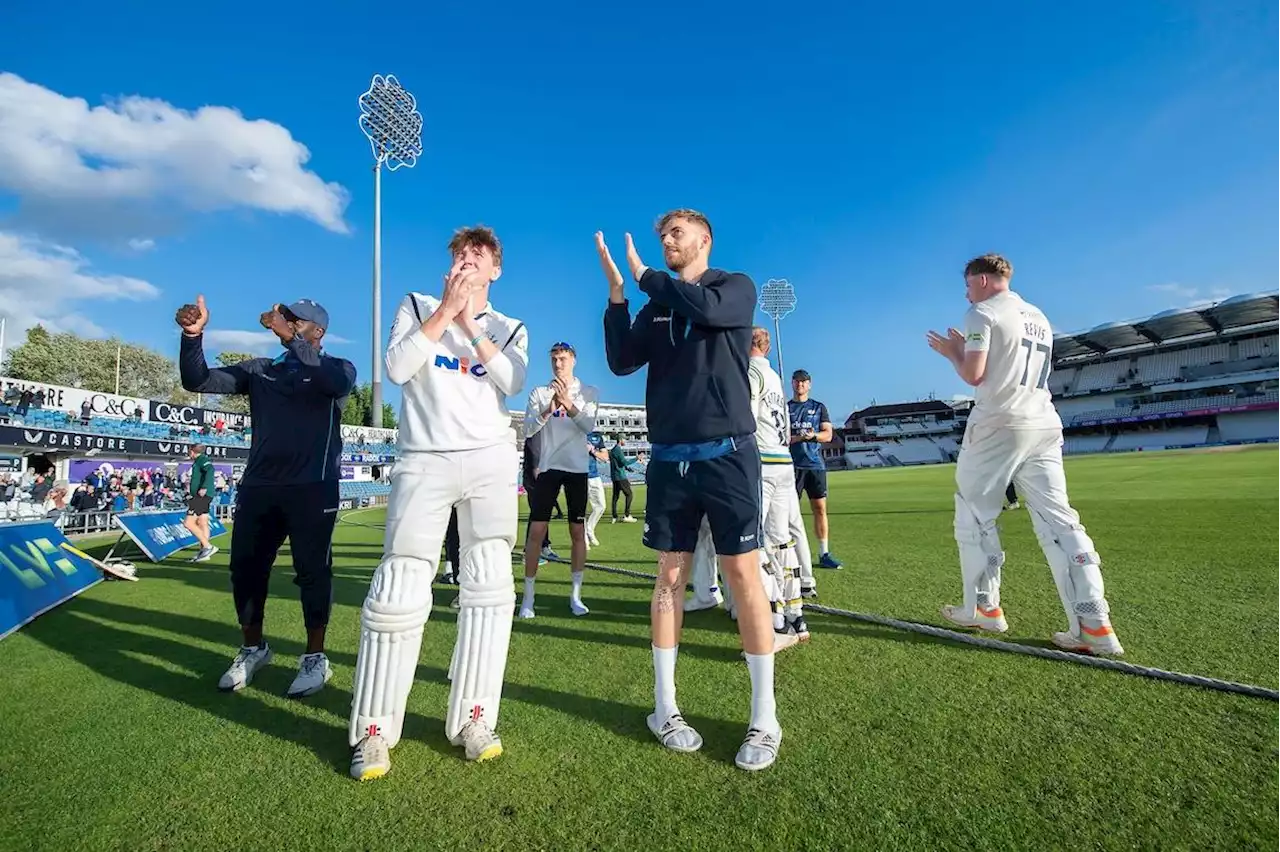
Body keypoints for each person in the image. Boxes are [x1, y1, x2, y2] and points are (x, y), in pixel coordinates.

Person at [600, 209, 782, 772]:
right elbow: (622, 360)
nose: (666, 242)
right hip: (669, 461)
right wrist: (616, 298)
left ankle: (763, 716)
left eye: (675, 234)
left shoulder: (735, 287)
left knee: (742, 575)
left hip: (728, 455)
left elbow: (704, 307)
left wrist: (646, 276)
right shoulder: (656, 304)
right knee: (670, 578)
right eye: (661, 236)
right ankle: (665, 708)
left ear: (703, 239)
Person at [348, 225, 529, 781]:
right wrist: (443, 313)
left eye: (478, 256)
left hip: (490, 462)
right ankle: (373, 732)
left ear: (495, 269)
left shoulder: (509, 324)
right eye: (458, 254)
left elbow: (513, 381)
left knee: (491, 589)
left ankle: (475, 719)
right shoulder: (415, 304)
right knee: (400, 587)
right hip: (424, 458)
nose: (466, 261)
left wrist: (470, 322)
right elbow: (398, 369)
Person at [926, 253, 1122, 655]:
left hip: (999, 422)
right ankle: (1094, 625)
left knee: (974, 514)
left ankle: (983, 608)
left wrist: (952, 351)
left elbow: (975, 375)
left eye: (966, 285)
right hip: (1044, 422)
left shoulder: (981, 313)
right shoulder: (1038, 315)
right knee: (1061, 522)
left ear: (981, 280)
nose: (965, 293)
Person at [176, 295, 356, 698]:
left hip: (313, 485)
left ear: (317, 332)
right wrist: (192, 336)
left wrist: (289, 336)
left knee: (313, 572)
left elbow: (335, 384)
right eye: (284, 317)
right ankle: (253, 648)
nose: (284, 322)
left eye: (295, 320)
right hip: (260, 486)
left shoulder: (337, 367)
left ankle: (315, 657)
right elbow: (199, 381)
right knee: (245, 570)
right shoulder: (261, 370)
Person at [520, 342, 598, 618]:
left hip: (577, 469)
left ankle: (576, 596)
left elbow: (589, 425)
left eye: (563, 359)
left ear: (573, 360)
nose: (558, 364)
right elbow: (528, 429)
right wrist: (549, 409)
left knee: (578, 533)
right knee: (536, 533)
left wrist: (569, 405)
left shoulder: (589, 392)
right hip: (549, 467)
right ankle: (528, 597)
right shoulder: (540, 393)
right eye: (554, 359)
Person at [749, 328, 810, 643]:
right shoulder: (774, 375)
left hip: (762, 465)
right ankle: (795, 613)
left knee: (755, 541)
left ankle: (773, 613)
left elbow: (743, 418)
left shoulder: (750, 372)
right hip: (784, 461)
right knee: (783, 540)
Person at [788, 370, 843, 574]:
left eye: (804, 382)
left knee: (819, 509)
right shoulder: (786, 408)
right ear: (792, 384)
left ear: (809, 384)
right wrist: (799, 437)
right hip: (792, 466)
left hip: (815, 466)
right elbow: (782, 437)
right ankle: (790, 555)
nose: (800, 385)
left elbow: (828, 435)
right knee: (789, 513)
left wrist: (811, 436)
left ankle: (824, 553)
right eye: (797, 381)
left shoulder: (819, 407)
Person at [521, 436, 556, 562]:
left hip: (543, 477)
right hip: (535, 480)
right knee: (537, 514)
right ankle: (529, 552)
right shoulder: (536, 432)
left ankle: (544, 546)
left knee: (543, 514)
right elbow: (535, 458)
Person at [182, 443, 218, 563]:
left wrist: (204, 487)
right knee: (203, 522)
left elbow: (210, 470)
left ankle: (208, 547)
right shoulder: (199, 461)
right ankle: (204, 553)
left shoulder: (202, 460)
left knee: (188, 523)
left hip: (201, 496)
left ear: (192, 451)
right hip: (204, 496)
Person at [585, 431, 608, 547]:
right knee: (580, 510)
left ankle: (589, 529)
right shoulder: (572, 431)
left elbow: (605, 457)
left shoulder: (596, 436)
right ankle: (583, 538)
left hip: (594, 476)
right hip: (577, 476)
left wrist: (592, 450)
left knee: (601, 506)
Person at [608, 436, 638, 522]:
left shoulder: (613, 450)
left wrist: (627, 468)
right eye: (625, 439)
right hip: (620, 476)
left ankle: (614, 516)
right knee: (629, 494)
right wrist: (636, 458)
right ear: (620, 440)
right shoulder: (618, 450)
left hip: (615, 476)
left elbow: (618, 464)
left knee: (615, 497)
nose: (626, 441)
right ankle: (627, 515)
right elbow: (624, 462)